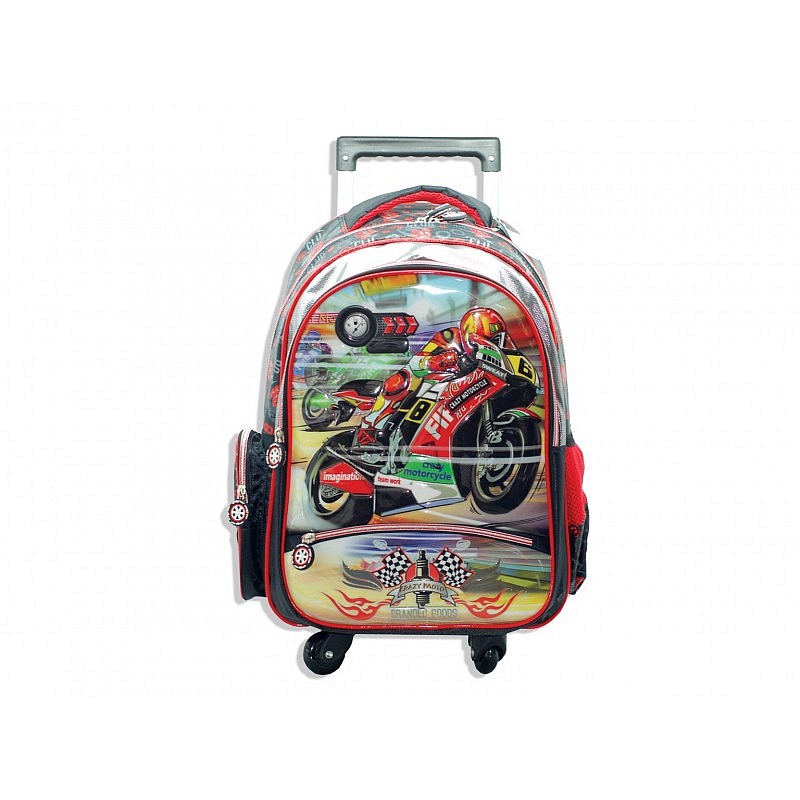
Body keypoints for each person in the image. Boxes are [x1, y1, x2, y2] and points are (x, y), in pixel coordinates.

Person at [356, 307, 508, 447]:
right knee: (401, 381)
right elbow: (416, 362)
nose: (490, 346)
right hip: (437, 384)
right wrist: (436, 361)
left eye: (495, 341)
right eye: (487, 340)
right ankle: (369, 430)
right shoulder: (450, 337)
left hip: (469, 392)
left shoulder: (498, 356)